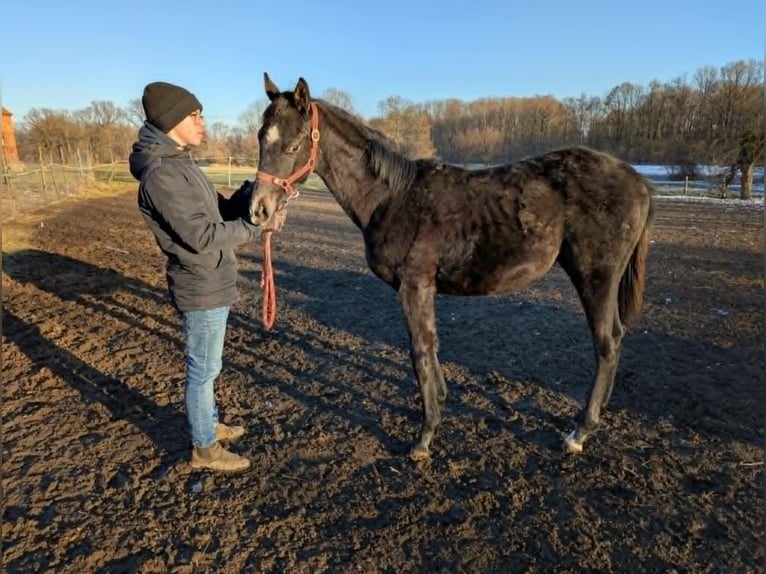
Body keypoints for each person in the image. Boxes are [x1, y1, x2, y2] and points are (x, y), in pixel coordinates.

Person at [129, 81, 273, 473]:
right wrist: (255, 228)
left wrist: (248, 197)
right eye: (195, 115)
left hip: (211, 279)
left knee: (209, 367)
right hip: (201, 283)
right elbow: (202, 236)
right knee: (203, 370)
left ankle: (208, 426)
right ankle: (204, 449)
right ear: (172, 119)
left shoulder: (180, 163)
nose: (202, 122)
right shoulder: (161, 175)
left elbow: (218, 213)